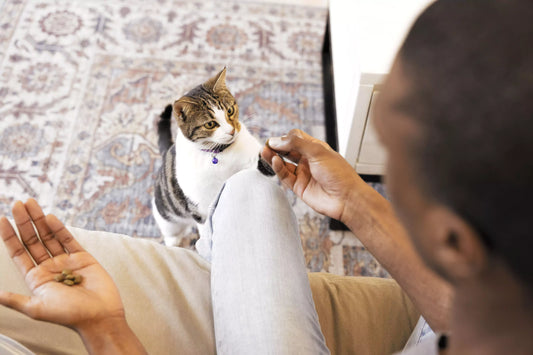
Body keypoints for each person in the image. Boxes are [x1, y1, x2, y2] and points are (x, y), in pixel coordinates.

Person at [1, 0, 532, 354]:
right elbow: (457, 313)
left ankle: (210, 259)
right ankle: (213, 248)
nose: (381, 179)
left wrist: (105, 326)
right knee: (253, 183)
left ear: (454, 241)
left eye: (390, 161)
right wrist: (354, 202)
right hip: (461, 320)